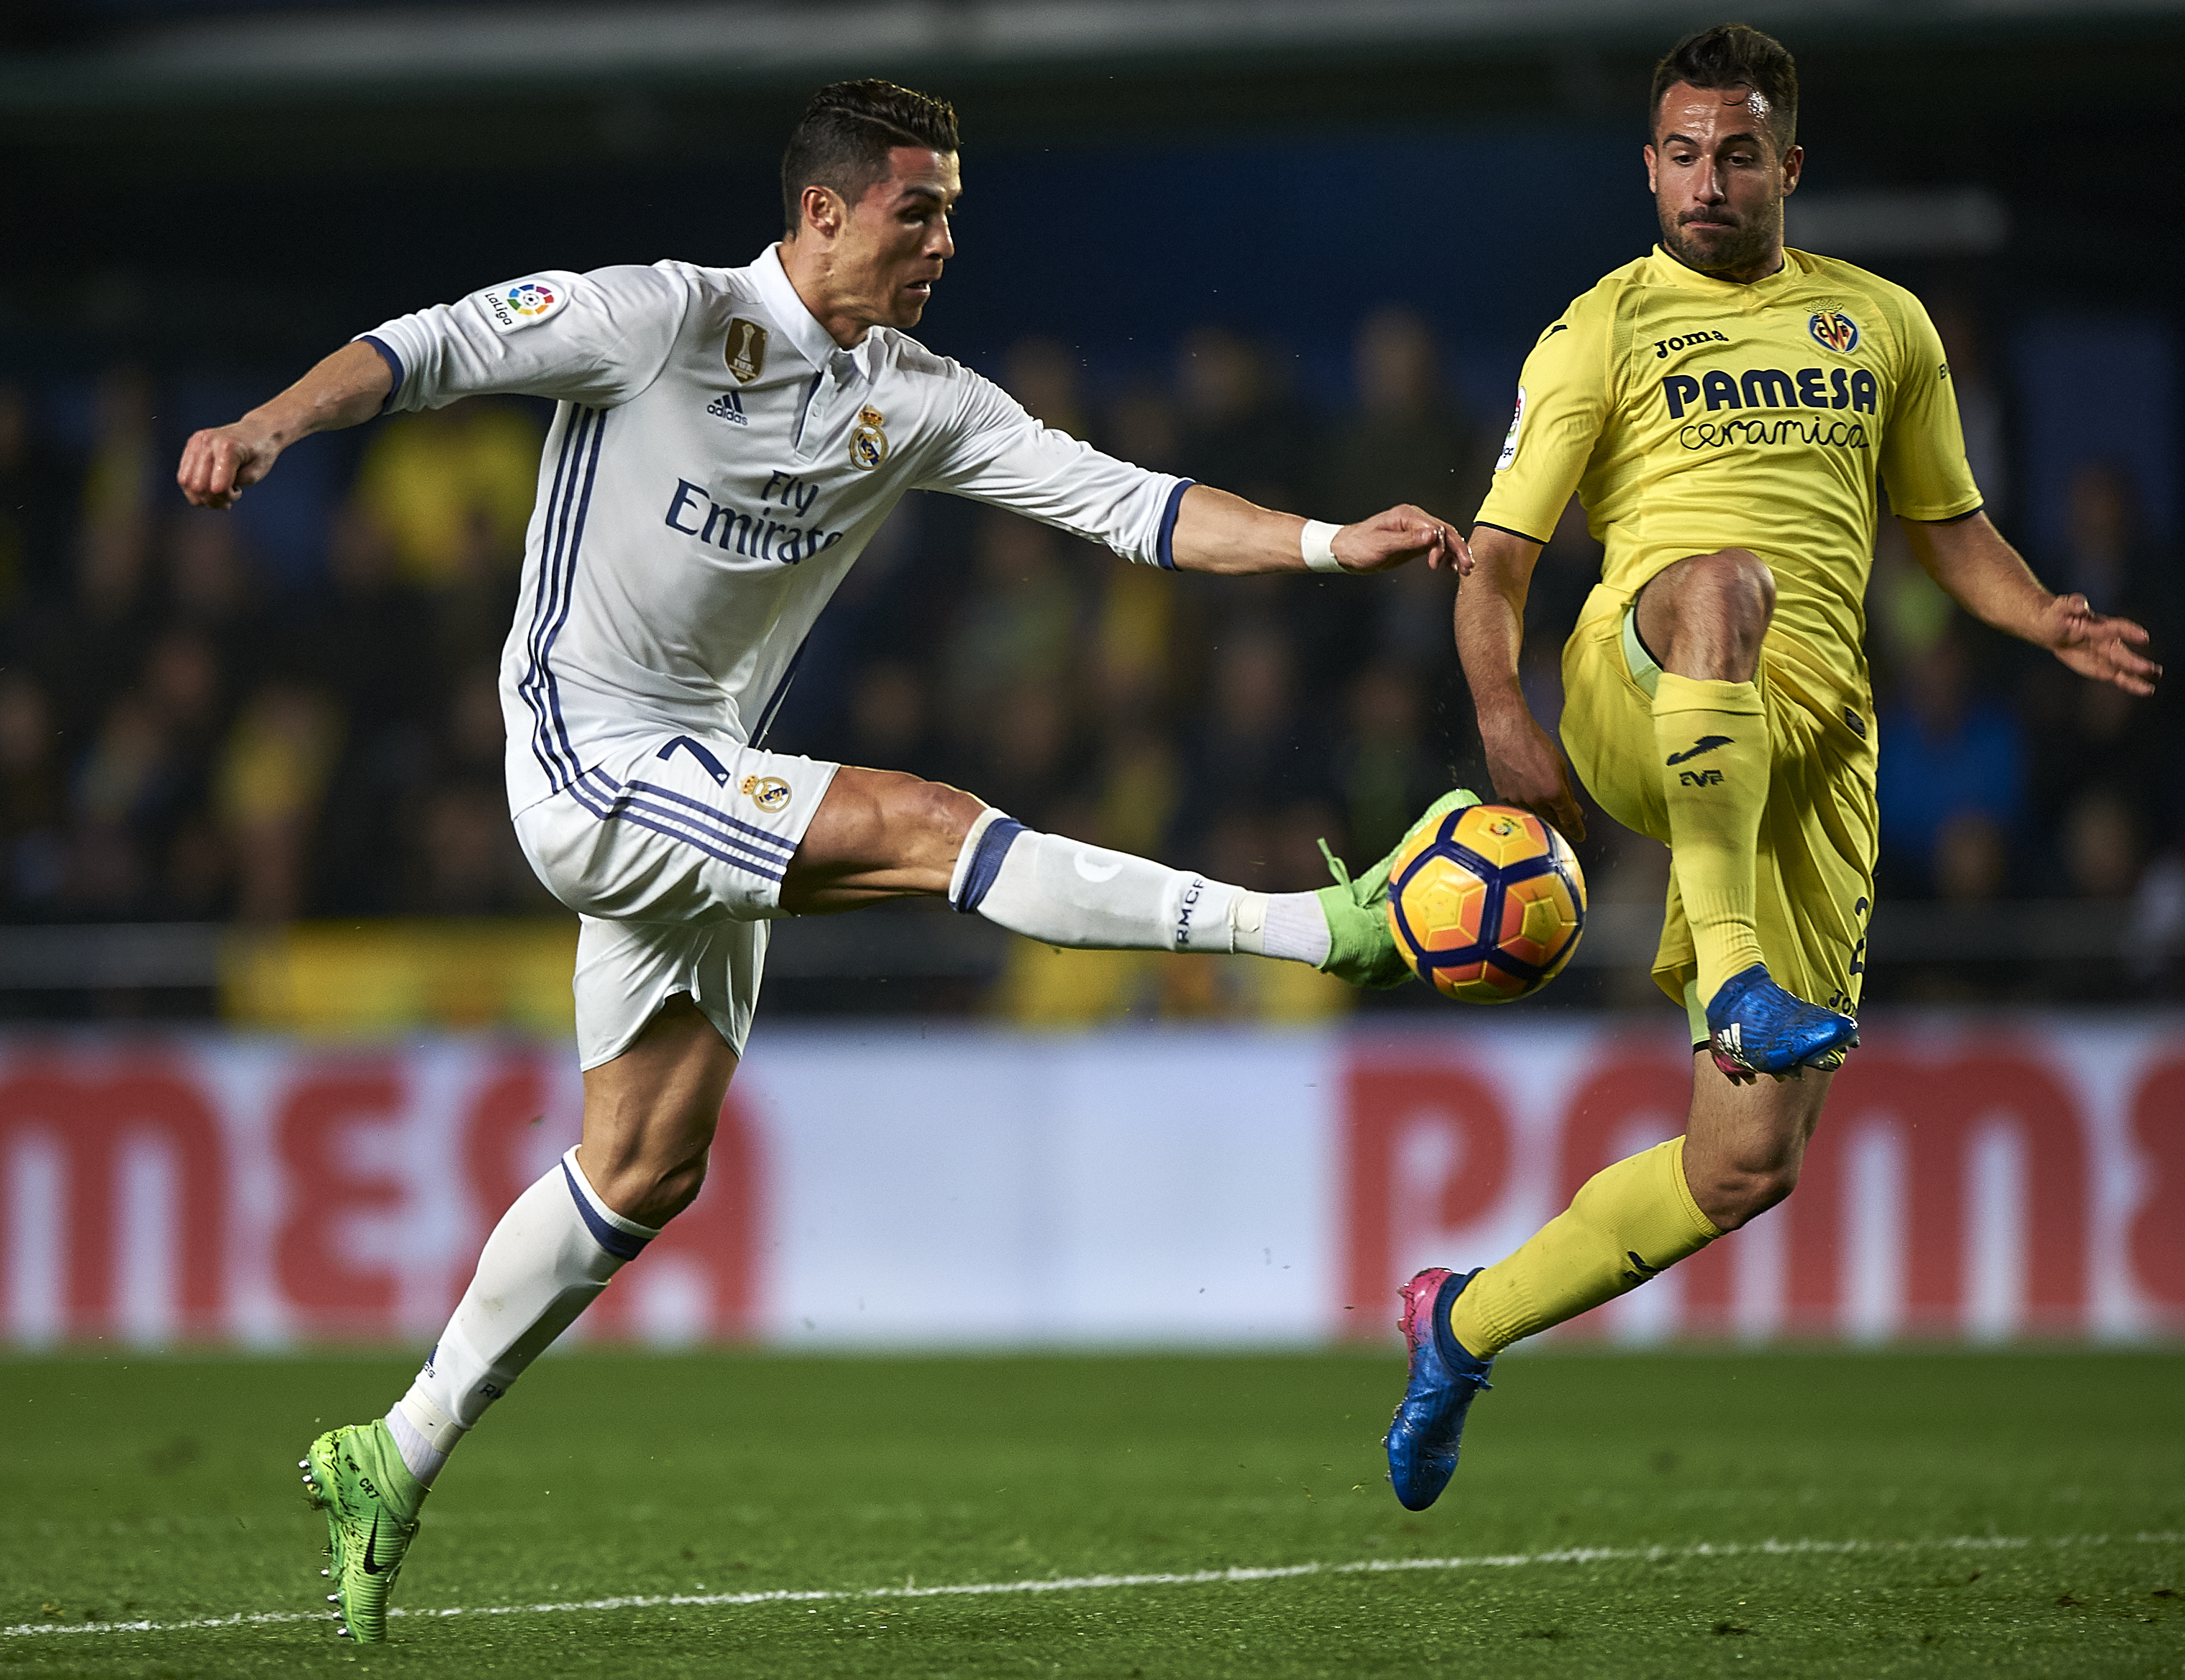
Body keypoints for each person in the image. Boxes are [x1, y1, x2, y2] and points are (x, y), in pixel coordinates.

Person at [176, 80, 1469, 1641]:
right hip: (586, 761)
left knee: (645, 1166)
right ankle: (1324, 929)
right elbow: (427, 348)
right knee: (930, 827)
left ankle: (395, 1449)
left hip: (703, 775)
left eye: (955, 213)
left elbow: (1127, 505)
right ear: (824, 213)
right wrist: (264, 428)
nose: (944, 241)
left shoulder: (918, 398)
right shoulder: (655, 320)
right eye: (917, 210)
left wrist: (1333, 546)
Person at [1383, 24, 2158, 1512]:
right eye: (1680, 154)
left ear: (1788, 166)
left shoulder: (1882, 325)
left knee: (1746, 1163)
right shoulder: (1598, 331)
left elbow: (1944, 526)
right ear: (1651, 165)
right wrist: (1502, 717)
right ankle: (1732, 963)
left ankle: (1460, 1321)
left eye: (1737, 155)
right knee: (1719, 578)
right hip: (1642, 675)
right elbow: (1494, 569)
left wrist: (2040, 612)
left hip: (1807, 743)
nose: (1707, 182)